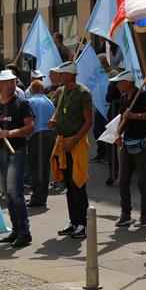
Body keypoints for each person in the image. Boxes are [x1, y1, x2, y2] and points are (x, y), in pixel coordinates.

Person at [0, 69, 35, 248]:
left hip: (16, 150)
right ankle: (16, 229)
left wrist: (12, 133)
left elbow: (30, 127)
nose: (9, 85)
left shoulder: (22, 103)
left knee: (15, 191)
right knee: (7, 193)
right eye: (6, 82)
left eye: (12, 82)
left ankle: (24, 232)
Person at [49, 61, 93, 239]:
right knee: (68, 184)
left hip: (76, 144)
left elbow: (88, 122)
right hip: (62, 143)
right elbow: (58, 113)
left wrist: (74, 140)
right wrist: (54, 122)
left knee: (78, 183)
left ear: (70, 74)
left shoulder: (83, 93)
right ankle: (73, 221)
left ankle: (84, 223)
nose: (58, 76)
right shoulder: (60, 92)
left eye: (61, 73)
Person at [111, 70, 146, 228]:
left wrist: (135, 116)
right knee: (123, 180)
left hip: (143, 143)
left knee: (143, 182)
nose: (116, 85)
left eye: (119, 82)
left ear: (128, 82)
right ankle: (126, 214)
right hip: (126, 144)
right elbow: (122, 118)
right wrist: (117, 134)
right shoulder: (123, 98)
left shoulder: (143, 96)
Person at [26, 80, 56, 208]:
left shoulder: (31, 102)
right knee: (44, 167)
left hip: (37, 136)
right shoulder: (49, 101)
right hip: (50, 135)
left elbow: (29, 121)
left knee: (34, 167)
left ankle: (37, 197)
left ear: (32, 90)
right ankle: (42, 196)